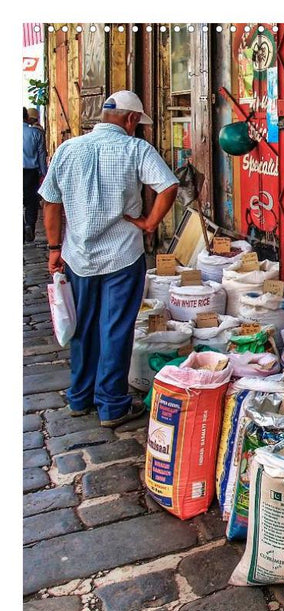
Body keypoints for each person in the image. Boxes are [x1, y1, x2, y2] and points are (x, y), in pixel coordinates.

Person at [40, 90, 179, 428]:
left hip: (78, 256)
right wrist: (150, 223)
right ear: (131, 119)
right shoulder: (136, 149)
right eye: (137, 123)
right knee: (115, 328)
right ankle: (112, 404)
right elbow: (168, 186)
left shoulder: (68, 149)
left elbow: (51, 202)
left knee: (83, 326)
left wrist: (54, 248)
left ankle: (79, 396)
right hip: (123, 256)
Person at [23, 106, 47, 242]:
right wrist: (44, 174)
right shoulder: (36, 133)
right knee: (31, 202)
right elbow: (41, 156)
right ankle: (29, 225)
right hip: (30, 173)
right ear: (27, 117)